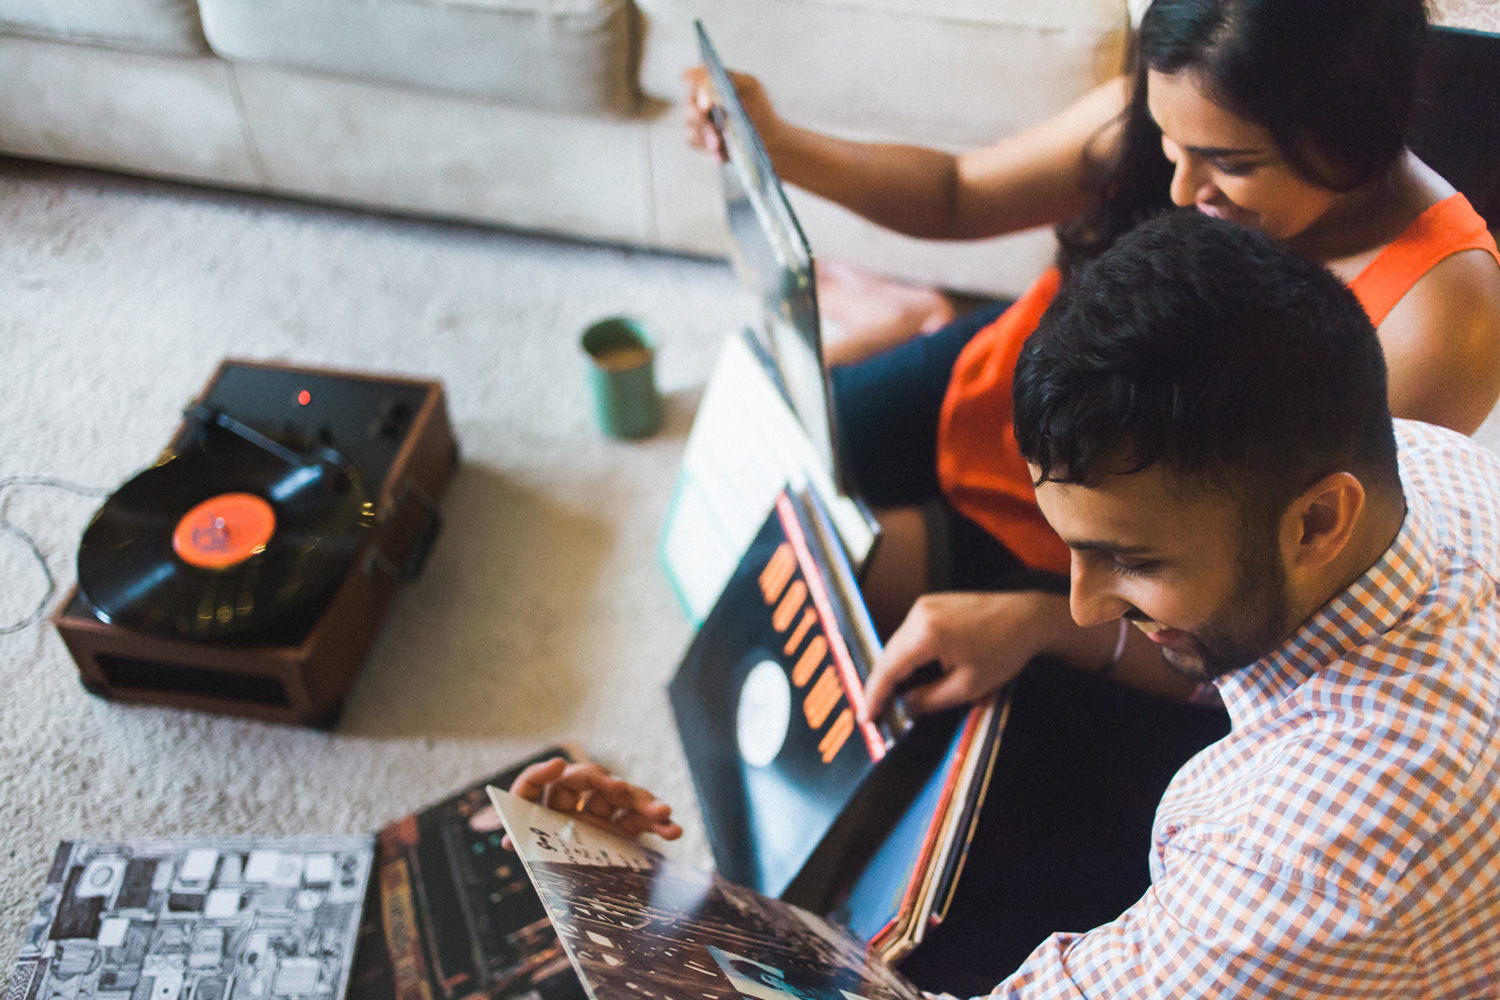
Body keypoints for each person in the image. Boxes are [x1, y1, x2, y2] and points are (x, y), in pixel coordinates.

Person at [513, 211, 1500, 995]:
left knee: (940, 924)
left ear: (1317, 521)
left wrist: (647, 913)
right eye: (1074, 551)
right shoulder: (1426, 467)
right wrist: (1032, 625)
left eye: (1132, 559)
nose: (1081, 603)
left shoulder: (1318, 863)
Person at [685, 0, 1500, 653]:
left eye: (1232, 163)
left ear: (1354, 124)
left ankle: (907, 322)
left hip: (1114, 519)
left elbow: (1277, 581)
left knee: (785, 580)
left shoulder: (1445, 319)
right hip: (1013, 375)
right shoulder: (1185, 107)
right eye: (1171, 144)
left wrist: (1046, 628)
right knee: (758, 476)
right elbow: (957, 192)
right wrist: (775, 141)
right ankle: (921, 320)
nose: (1182, 192)